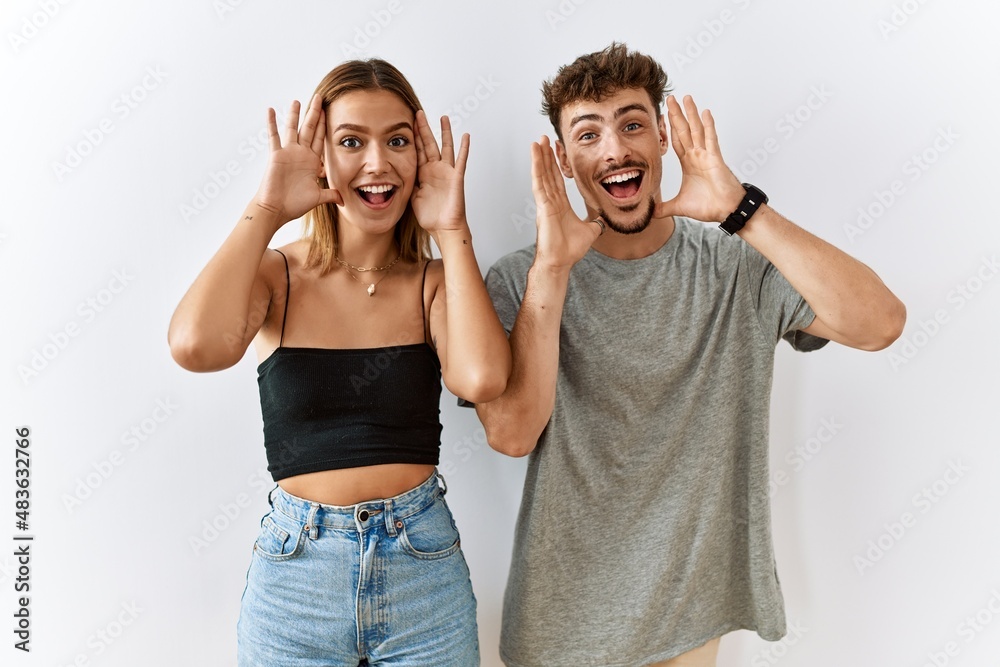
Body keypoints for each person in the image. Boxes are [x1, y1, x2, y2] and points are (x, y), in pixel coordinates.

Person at [474, 43, 905, 667]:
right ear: (566, 162)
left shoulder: (733, 264)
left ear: (662, 141)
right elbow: (512, 434)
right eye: (588, 134)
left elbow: (880, 324)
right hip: (560, 627)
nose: (616, 149)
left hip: (692, 618)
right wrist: (552, 269)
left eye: (631, 123)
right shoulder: (521, 279)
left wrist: (743, 211)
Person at [168, 58, 509, 667]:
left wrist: (453, 227)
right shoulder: (277, 275)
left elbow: (481, 377)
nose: (377, 164)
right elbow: (195, 346)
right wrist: (268, 207)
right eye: (352, 141)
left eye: (397, 141)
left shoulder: (433, 283)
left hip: (422, 573)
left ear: (419, 158)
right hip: (297, 580)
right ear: (321, 155)